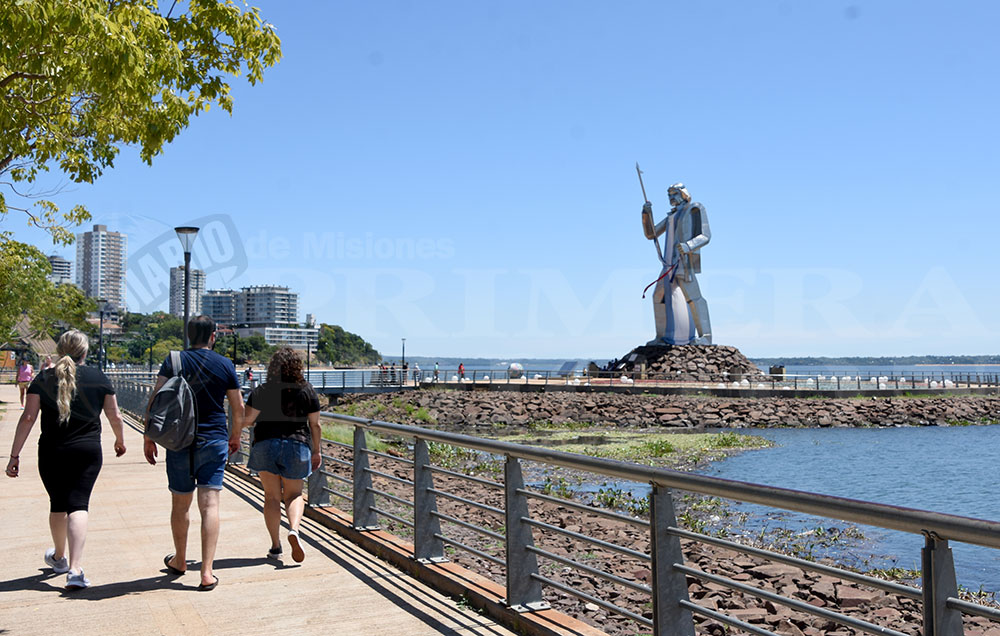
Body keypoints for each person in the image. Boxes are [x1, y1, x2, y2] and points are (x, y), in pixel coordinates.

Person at [5, 330, 126, 589]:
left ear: (60, 351)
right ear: (85, 352)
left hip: (51, 451)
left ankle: (59, 558)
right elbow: (115, 415)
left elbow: (28, 418)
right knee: (79, 504)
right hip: (88, 451)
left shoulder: (44, 378)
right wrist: (120, 440)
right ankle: (74, 569)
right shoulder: (98, 378)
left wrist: (14, 455)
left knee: (58, 503)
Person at [144, 315, 243, 591]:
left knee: (180, 504)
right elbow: (238, 408)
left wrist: (148, 436)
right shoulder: (224, 364)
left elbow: (155, 398)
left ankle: (180, 560)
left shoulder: (174, 360)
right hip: (213, 441)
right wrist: (235, 436)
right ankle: (207, 572)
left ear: (189, 336)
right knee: (210, 505)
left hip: (178, 441)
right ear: (213, 336)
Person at [231, 347, 321, 562]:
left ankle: (275, 545)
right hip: (297, 446)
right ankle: (294, 530)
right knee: (294, 495)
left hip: (265, 444)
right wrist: (317, 451)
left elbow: (248, 421)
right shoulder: (307, 390)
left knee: (271, 497)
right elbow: (315, 425)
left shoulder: (263, 390)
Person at [641, 182, 712, 345]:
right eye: (669, 195)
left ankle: (706, 336)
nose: (671, 198)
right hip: (668, 265)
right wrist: (646, 214)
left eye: (674, 194)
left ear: (683, 193)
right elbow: (651, 234)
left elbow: (706, 235)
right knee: (658, 296)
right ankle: (661, 337)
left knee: (694, 298)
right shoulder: (670, 217)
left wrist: (688, 246)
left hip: (684, 262)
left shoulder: (695, 208)